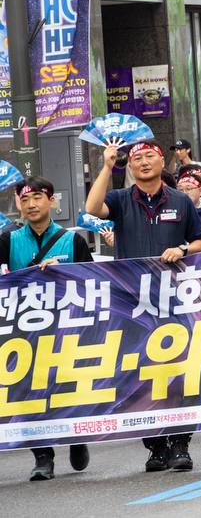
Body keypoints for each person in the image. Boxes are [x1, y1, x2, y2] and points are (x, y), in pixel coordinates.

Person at [84, 140, 201, 472]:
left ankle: (180, 444)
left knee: (180, 374)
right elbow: (93, 208)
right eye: (136, 158)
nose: (143, 162)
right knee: (138, 377)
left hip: (175, 302)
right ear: (131, 166)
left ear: (160, 160)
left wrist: (182, 249)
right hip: (133, 305)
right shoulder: (122, 200)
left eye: (149, 156)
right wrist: (108, 166)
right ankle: (155, 446)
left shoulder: (181, 201)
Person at [1, 177, 93, 481]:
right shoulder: (7, 241)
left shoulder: (73, 240)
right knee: (29, 393)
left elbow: (94, 284)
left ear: (52, 201)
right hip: (23, 332)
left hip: (66, 329)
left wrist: (64, 273)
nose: (31, 205)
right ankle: (43, 456)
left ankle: (75, 437)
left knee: (67, 387)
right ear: (18, 203)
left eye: (38, 198)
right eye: (24, 200)